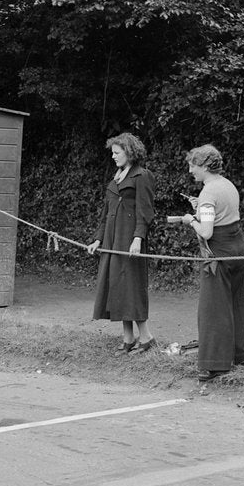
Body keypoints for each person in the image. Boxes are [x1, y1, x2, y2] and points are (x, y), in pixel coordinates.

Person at [179, 144, 244, 389]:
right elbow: (221, 215)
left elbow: (207, 231)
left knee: (212, 310)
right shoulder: (228, 185)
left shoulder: (208, 193)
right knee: (233, 303)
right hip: (237, 250)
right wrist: (199, 210)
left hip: (218, 254)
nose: (190, 170)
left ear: (204, 166)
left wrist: (191, 220)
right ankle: (240, 356)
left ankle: (213, 365)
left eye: (193, 165)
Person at [85, 132, 157, 354]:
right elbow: (105, 213)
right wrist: (97, 239)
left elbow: (145, 212)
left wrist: (138, 238)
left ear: (129, 152)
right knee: (116, 286)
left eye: (117, 153)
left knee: (131, 287)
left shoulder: (142, 176)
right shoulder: (115, 179)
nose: (113, 157)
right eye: (113, 153)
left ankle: (146, 338)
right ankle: (128, 339)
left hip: (129, 239)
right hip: (111, 239)